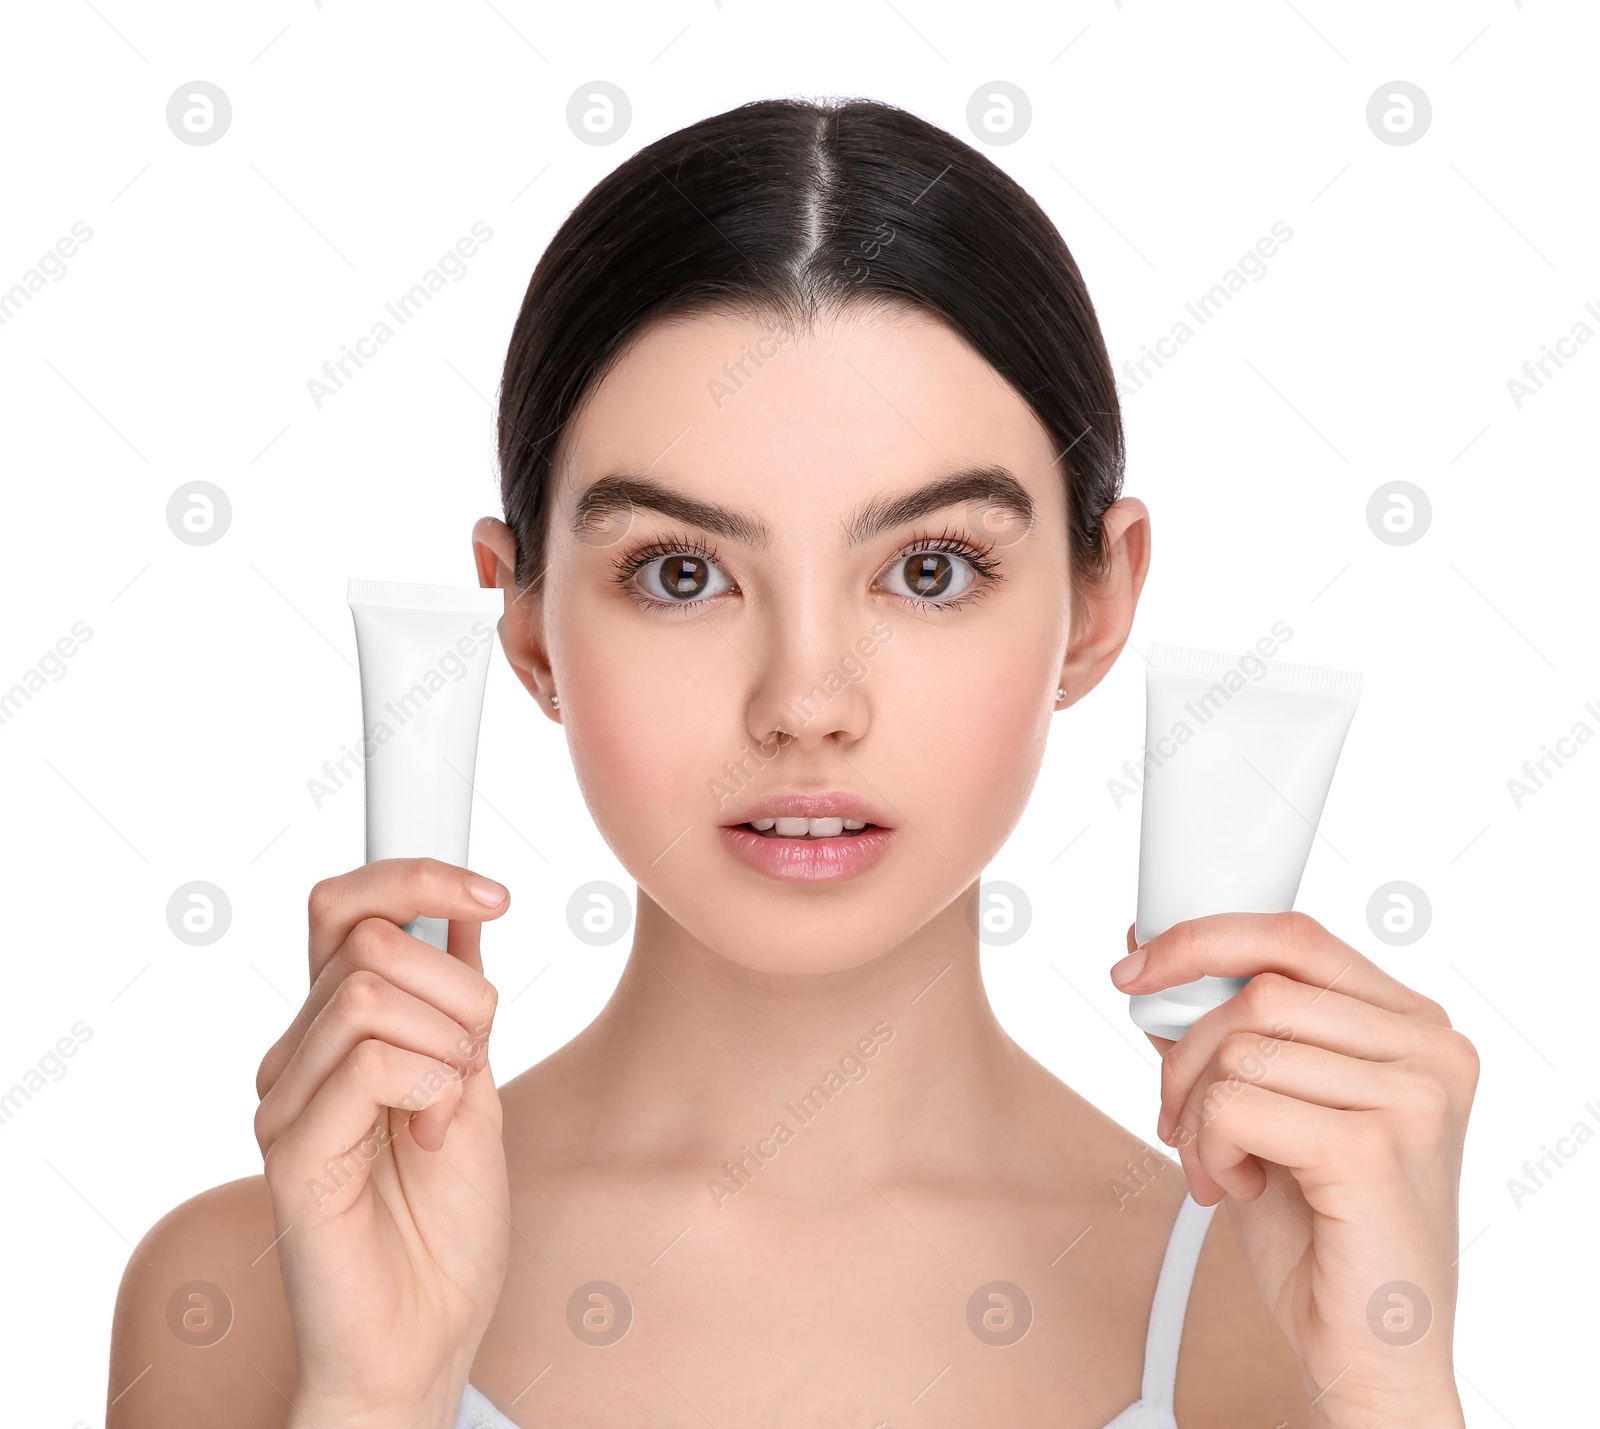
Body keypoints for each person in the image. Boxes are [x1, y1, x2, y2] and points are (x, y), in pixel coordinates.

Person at [108, 97, 1477, 1428]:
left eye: (929, 570)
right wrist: (373, 1398)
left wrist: (1396, 1395)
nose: (806, 701)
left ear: (1099, 602)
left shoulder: (1285, 1313)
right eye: (685, 571)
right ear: (523, 620)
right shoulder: (242, 1297)